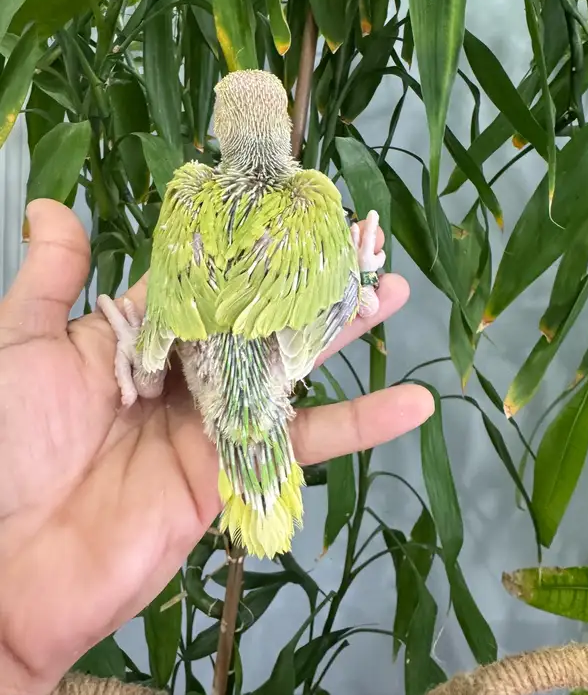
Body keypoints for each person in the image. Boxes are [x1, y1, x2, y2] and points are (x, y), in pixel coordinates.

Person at [0, 199, 434, 695]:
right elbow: (342, 314)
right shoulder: (303, 207)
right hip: (258, 370)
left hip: (197, 369)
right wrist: (360, 280)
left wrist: (142, 350)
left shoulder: (195, 204)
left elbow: (160, 347)